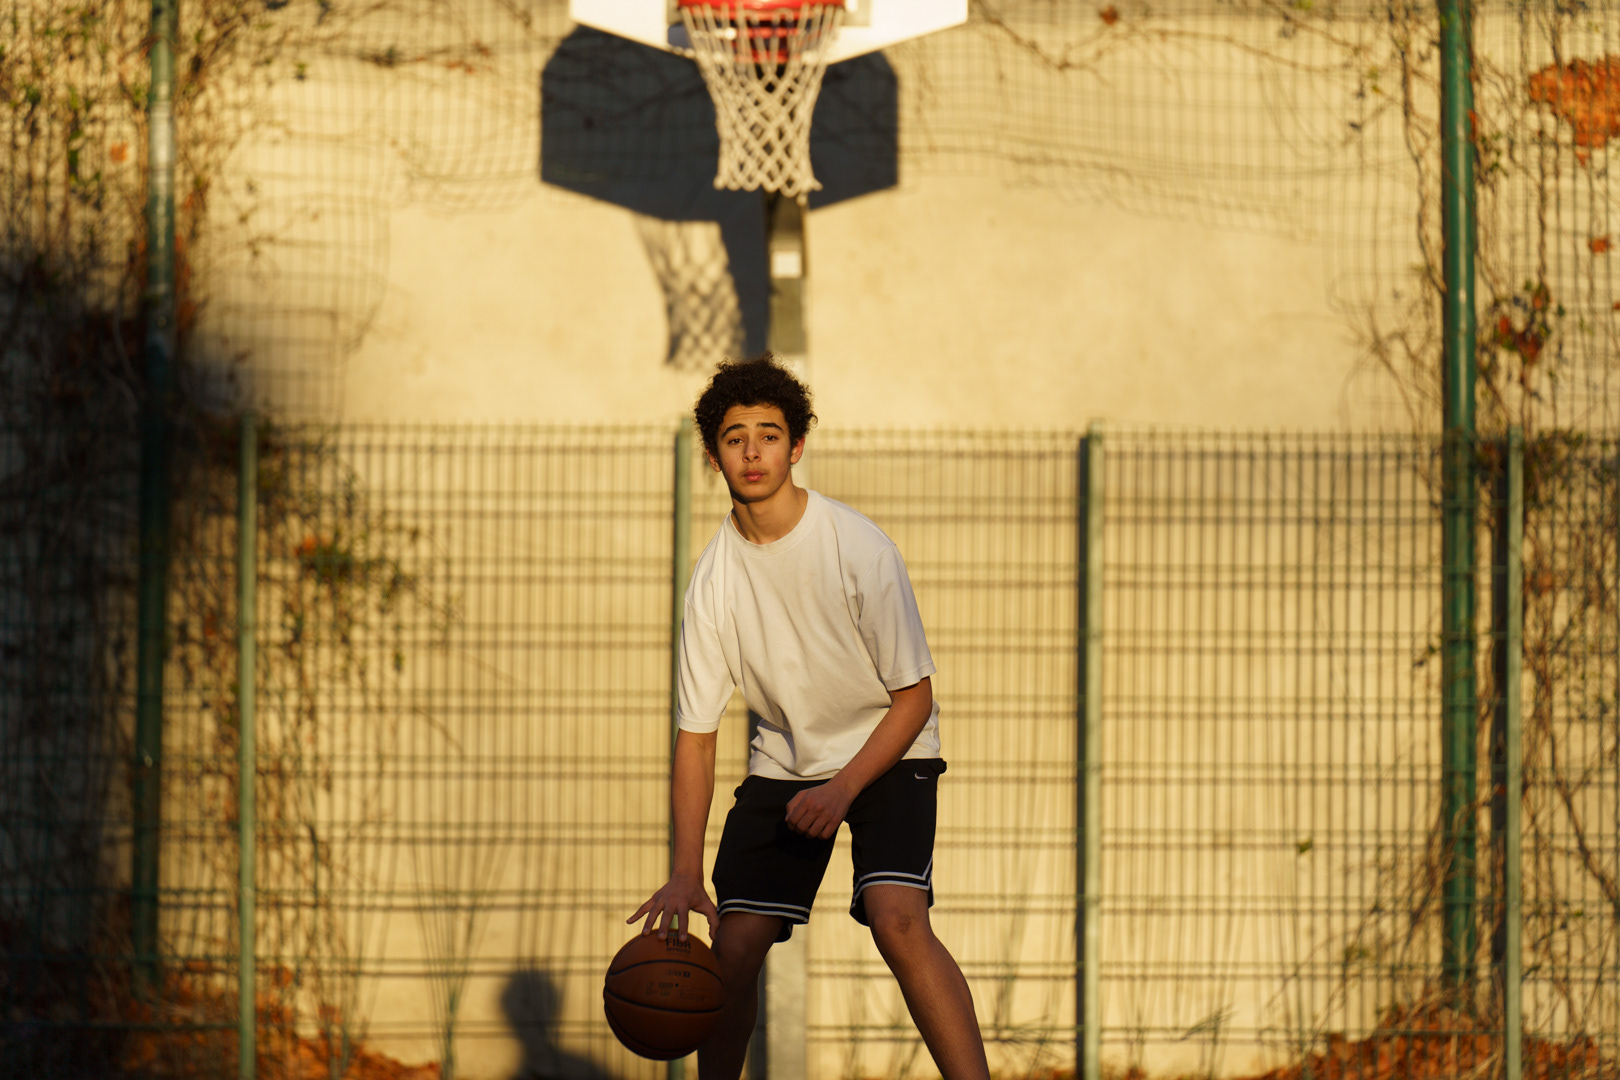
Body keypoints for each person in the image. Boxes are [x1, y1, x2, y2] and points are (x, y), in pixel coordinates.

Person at [629, 354, 991, 1080]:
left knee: (897, 920)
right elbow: (696, 739)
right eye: (735, 438)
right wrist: (683, 870)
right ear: (714, 457)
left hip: (888, 749)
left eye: (769, 435)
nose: (752, 452)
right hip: (787, 762)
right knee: (733, 947)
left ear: (796, 447)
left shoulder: (858, 547)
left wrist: (842, 788)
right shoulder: (713, 582)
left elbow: (914, 698)